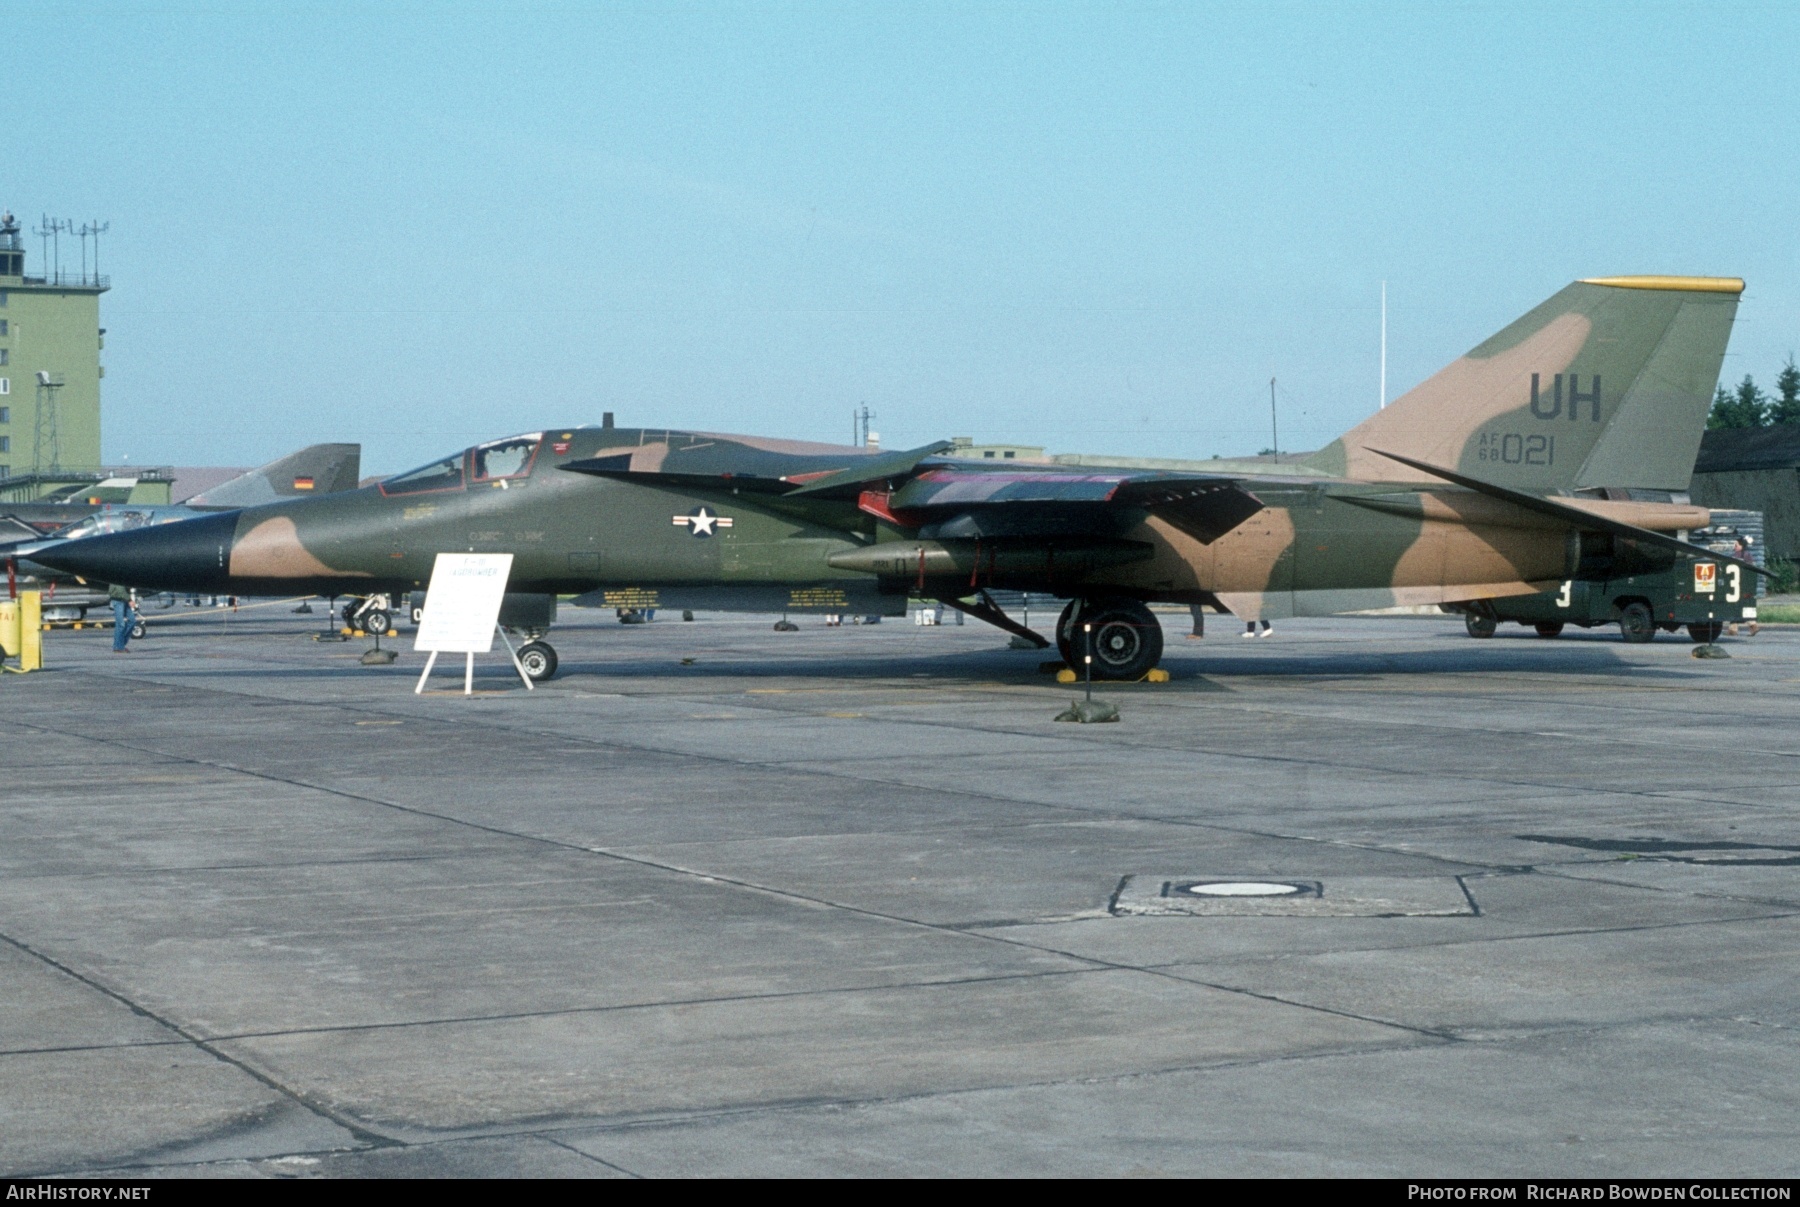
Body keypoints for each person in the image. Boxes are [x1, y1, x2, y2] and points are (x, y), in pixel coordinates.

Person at [108, 583, 137, 653]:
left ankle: (120, 644)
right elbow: (120, 590)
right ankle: (119, 647)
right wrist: (130, 600)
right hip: (117, 600)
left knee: (132, 621)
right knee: (120, 624)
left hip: (124, 600)